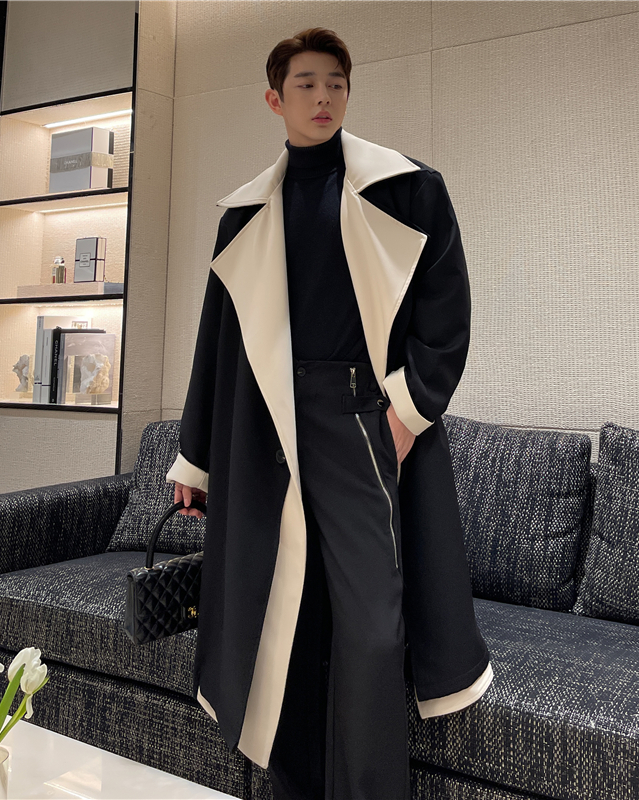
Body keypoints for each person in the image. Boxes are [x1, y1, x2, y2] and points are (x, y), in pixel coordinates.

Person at [166, 27, 494, 800]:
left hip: (360, 420)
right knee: (286, 616)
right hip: (267, 428)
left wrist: (405, 415)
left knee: (372, 629)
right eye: (306, 85)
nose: (323, 98)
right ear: (274, 99)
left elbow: (447, 314)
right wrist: (196, 460)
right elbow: (216, 346)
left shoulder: (408, 190)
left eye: (336, 84)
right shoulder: (245, 213)